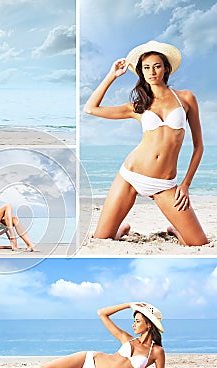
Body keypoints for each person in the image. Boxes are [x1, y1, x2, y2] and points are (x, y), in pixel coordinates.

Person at [83, 40, 208, 246]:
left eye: (157, 66)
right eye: (146, 67)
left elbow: (199, 147)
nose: (152, 72)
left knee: (198, 243)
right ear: (141, 72)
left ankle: (175, 229)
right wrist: (111, 75)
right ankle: (121, 229)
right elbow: (90, 108)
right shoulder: (138, 106)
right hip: (130, 176)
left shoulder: (186, 98)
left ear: (166, 68)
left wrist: (185, 185)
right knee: (102, 239)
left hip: (165, 184)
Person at [0, 302, 165, 368]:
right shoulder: (127, 338)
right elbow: (102, 313)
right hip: (88, 359)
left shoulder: (157, 352)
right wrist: (128, 305)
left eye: (137, 320)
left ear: (149, 324)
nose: (133, 324)